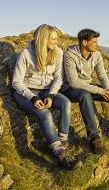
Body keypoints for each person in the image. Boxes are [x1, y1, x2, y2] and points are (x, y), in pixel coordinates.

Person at [12, 24, 81, 170]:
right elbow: (16, 82)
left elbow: (58, 78)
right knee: (45, 114)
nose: (57, 42)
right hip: (25, 92)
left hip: (46, 90)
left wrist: (50, 94)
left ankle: (63, 142)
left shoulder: (58, 52)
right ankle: (60, 153)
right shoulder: (26, 54)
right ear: (43, 39)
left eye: (57, 39)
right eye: (54, 39)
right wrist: (33, 98)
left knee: (66, 103)